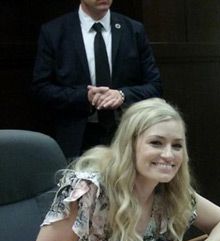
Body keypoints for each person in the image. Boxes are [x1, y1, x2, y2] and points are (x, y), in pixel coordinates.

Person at [26, 98, 220, 241]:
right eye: (156, 142)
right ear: (130, 145)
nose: (168, 154)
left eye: (177, 145)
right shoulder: (88, 191)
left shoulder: (168, 191)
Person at [32, 0, 162, 159]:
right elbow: (41, 89)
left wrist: (122, 95)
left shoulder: (133, 29)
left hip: (126, 134)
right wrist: (85, 97)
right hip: (78, 136)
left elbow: (155, 86)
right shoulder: (54, 31)